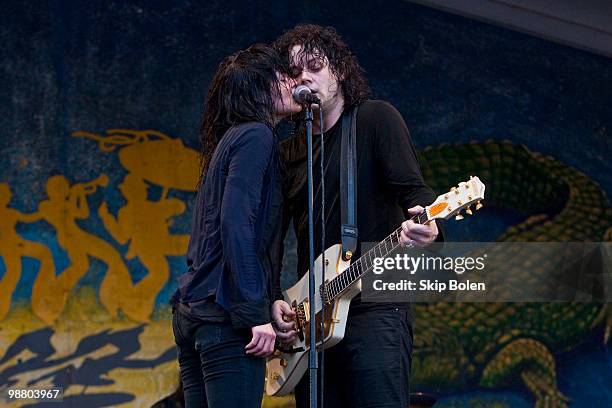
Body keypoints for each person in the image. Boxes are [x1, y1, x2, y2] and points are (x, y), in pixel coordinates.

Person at [271, 24, 443, 408]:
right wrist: (271, 298)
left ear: (341, 71)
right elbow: (269, 239)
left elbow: (415, 194)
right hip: (311, 317)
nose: (305, 78)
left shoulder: (375, 120)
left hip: (377, 306)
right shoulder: (289, 153)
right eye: (295, 73)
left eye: (314, 66)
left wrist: (430, 224)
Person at [170, 44, 301, 408]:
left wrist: (269, 297)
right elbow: (235, 225)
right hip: (224, 318)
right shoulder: (256, 136)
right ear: (261, 88)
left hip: (194, 313)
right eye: (283, 76)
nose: (294, 82)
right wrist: (253, 314)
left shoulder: (231, 142)